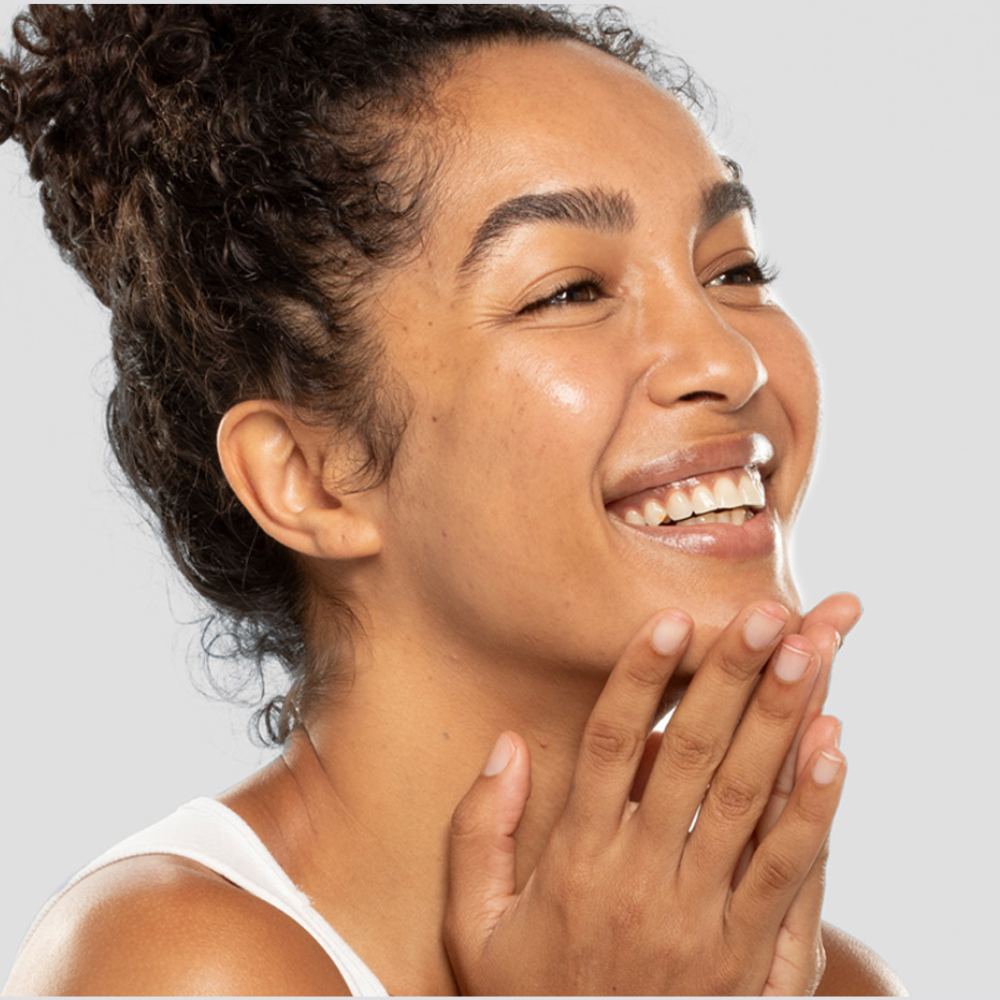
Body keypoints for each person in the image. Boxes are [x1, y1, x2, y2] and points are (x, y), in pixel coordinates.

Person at [1, 5, 906, 995]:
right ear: (309, 475)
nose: (726, 360)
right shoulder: (176, 962)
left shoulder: (807, 976)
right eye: (568, 290)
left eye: (733, 268)